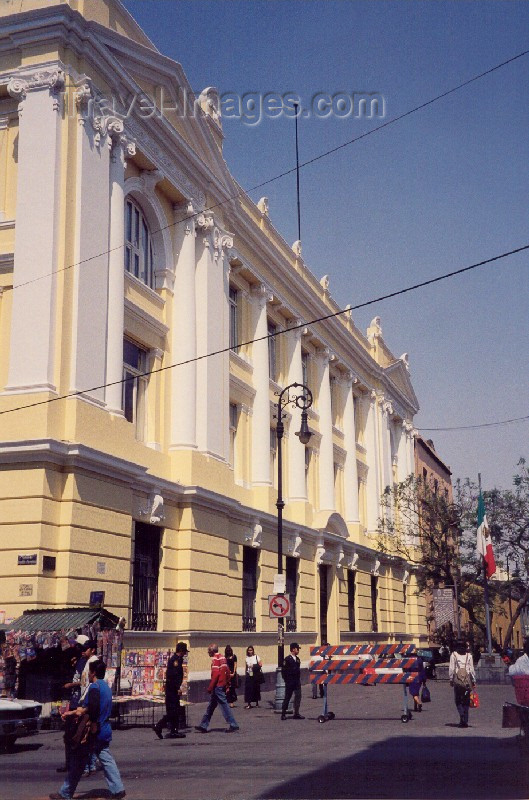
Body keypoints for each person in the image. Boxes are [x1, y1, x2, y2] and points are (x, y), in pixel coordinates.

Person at [49, 659, 125, 800]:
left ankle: (65, 793)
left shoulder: (94, 687)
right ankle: (118, 789)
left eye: (89, 671)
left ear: (93, 672)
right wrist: (72, 712)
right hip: (105, 728)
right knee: (106, 759)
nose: (88, 674)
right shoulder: (106, 688)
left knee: (78, 761)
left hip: (95, 730)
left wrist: (92, 721)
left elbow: (93, 707)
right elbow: (90, 708)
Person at [195, 643, 239, 733]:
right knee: (211, 706)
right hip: (221, 685)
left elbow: (215, 675)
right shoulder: (222, 658)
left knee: (224, 705)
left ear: (212, 651)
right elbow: (227, 671)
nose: (208, 652)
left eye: (208, 650)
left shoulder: (215, 659)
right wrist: (227, 683)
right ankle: (203, 725)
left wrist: (210, 687)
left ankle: (233, 724)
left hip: (217, 686)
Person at [154, 641, 187, 739]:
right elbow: (173, 676)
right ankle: (159, 726)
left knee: (175, 710)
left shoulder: (178, 659)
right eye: (184, 651)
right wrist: (177, 688)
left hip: (172, 689)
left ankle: (174, 730)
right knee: (172, 711)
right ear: (180, 651)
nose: (185, 653)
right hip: (172, 689)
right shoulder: (175, 661)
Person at [449, 639, 477, 728]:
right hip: (467, 681)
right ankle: (465, 720)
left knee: (457, 700)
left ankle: (461, 715)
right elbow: (472, 670)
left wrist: (451, 680)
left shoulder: (454, 655)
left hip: (458, 681)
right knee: (466, 700)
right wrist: (473, 681)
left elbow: (451, 669)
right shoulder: (469, 655)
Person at [281, 642, 304, 721]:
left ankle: (296, 713)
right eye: (297, 649)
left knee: (298, 696)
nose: (298, 651)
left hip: (297, 682)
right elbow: (283, 671)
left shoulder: (297, 659)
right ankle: (283, 713)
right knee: (287, 697)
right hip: (290, 682)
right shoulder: (287, 659)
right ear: (293, 649)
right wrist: (287, 680)